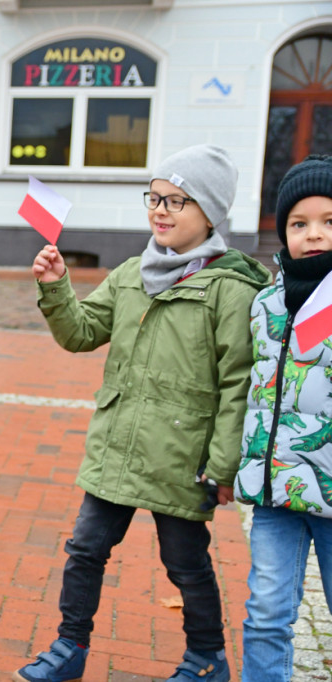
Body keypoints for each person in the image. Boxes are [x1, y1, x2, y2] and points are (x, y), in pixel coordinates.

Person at [15, 144, 272, 682]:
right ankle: (69, 648)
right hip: (118, 446)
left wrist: (222, 467)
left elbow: (237, 384)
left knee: (185, 565)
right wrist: (56, 285)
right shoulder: (133, 273)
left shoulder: (231, 288)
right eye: (154, 197)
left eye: (177, 201)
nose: (161, 210)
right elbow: (81, 334)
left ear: (210, 213)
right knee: (85, 550)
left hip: (182, 458)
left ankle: (207, 657)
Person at [235, 154, 332, 682]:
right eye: (299, 223)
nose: (313, 234)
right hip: (275, 490)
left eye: (329, 221)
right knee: (267, 613)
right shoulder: (267, 302)